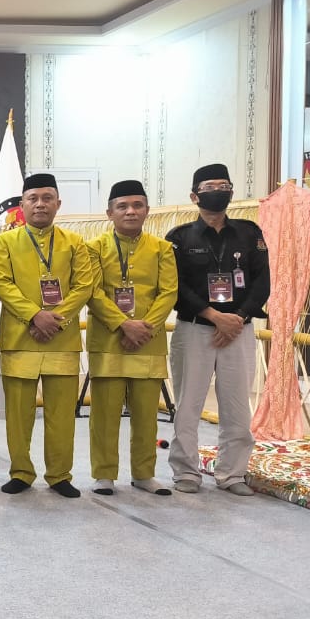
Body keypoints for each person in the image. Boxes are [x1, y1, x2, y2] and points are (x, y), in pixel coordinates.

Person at [165, 164, 269, 496]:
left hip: (238, 330)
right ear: (194, 196)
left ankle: (232, 473)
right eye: (210, 187)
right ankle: (185, 471)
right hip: (194, 329)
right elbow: (175, 286)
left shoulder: (249, 233)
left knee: (237, 405)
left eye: (224, 185)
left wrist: (236, 317)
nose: (218, 191)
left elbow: (262, 282)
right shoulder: (179, 237)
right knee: (188, 404)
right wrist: (213, 315)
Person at [0, 172, 95, 498]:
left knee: (61, 415)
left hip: (61, 341)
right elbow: (2, 284)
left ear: (58, 203)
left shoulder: (74, 242)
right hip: (20, 339)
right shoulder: (5, 242)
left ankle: (59, 475)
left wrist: (55, 319)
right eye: (33, 199)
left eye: (47, 198)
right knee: (18, 415)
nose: (40, 204)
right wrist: (35, 315)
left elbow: (84, 286)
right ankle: (21, 472)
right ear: (22, 205)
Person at [86, 180, 178, 496]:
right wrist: (124, 325)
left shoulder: (162, 248)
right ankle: (103, 474)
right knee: (104, 414)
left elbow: (168, 292)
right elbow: (92, 292)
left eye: (137, 205)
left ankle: (144, 474)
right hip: (108, 340)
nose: (130, 211)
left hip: (148, 343)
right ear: (109, 212)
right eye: (122, 206)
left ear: (147, 210)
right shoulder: (95, 248)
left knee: (146, 415)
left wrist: (144, 327)